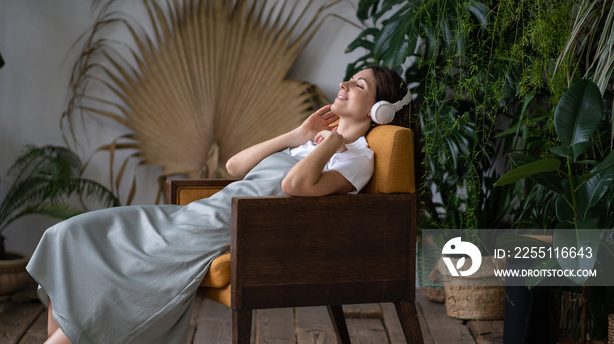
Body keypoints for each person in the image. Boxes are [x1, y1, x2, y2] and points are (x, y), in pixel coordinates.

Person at [27, 65, 410, 344]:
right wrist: (298, 134)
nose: (343, 84)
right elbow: (235, 166)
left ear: (381, 110)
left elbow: (295, 185)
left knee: (126, 274)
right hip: (203, 212)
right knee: (71, 233)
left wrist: (330, 143)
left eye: (359, 84)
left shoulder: (357, 158)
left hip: (237, 228)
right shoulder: (311, 141)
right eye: (349, 77)